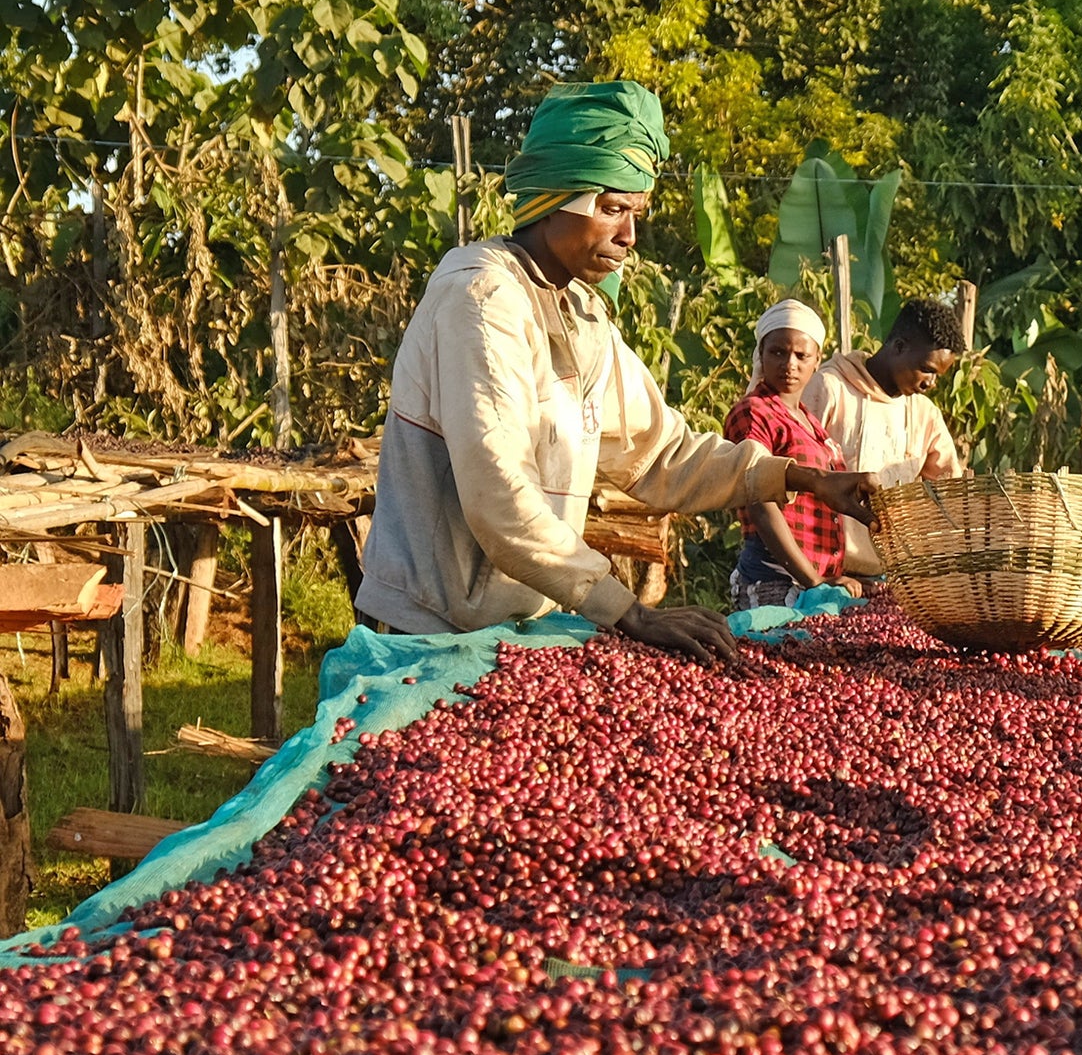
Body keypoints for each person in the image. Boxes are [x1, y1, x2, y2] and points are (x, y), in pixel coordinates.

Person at [357, 81, 875, 663]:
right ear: (555, 197)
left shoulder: (581, 314)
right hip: (431, 629)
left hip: (517, 626)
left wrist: (804, 479)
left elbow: (659, 454)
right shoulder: (482, 299)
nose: (628, 235)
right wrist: (629, 612)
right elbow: (500, 494)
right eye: (611, 209)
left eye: (635, 213)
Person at [804, 298, 967, 577]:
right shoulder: (830, 389)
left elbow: (949, 496)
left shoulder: (924, 415)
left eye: (938, 376)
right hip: (821, 572)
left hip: (893, 577)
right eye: (927, 369)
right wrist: (818, 577)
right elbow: (792, 476)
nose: (931, 384)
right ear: (899, 347)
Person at [722, 301, 859, 609]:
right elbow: (761, 500)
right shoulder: (753, 412)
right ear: (761, 354)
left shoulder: (809, 422)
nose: (790, 364)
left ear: (817, 360)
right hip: (776, 579)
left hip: (811, 577)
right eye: (778, 353)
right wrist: (814, 581)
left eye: (801, 355)